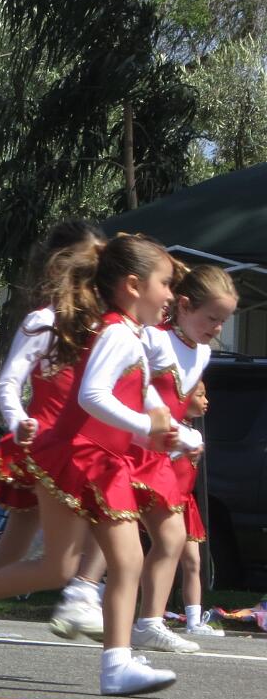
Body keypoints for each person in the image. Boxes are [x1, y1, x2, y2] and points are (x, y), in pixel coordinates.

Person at [0, 233, 185, 696]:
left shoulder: (127, 332)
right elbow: (91, 396)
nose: (171, 294)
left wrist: (174, 434)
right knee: (60, 566)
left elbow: (137, 397)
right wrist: (144, 426)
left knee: (120, 560)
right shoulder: (111, 331)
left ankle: (116, 665)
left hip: (102, 459)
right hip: (74, 456)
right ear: (133, 285)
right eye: (165, 283)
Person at [0, 220, 108, 641]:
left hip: (87, 447)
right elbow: (9, 383)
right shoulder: (43, 322)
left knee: (111, 518)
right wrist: (18, 421)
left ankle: (89, 600)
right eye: (88, 269)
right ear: (59, 269)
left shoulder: (107, 326)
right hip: (45, 445)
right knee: (15, 546)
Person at [129, 263, 237, 652]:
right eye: (212, 318)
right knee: (76, 553)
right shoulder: (153, 339)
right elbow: (131, 388)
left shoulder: (202, 352)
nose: (218, 328)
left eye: (223, 320)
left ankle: (147, 622)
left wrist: (184, 433)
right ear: (185, 305)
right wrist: (157, 423)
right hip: (126, 448)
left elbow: (178, 406)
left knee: (172, 538)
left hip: (157, 456)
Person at [173, 382, 220, 637]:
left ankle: (193, 621)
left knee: (193, 562)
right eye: (200, 395)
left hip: (184, 503)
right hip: (165, 502)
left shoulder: (194, 433)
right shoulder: (170, 429)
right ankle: (150, 617)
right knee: (160, 559)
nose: (206, 400)